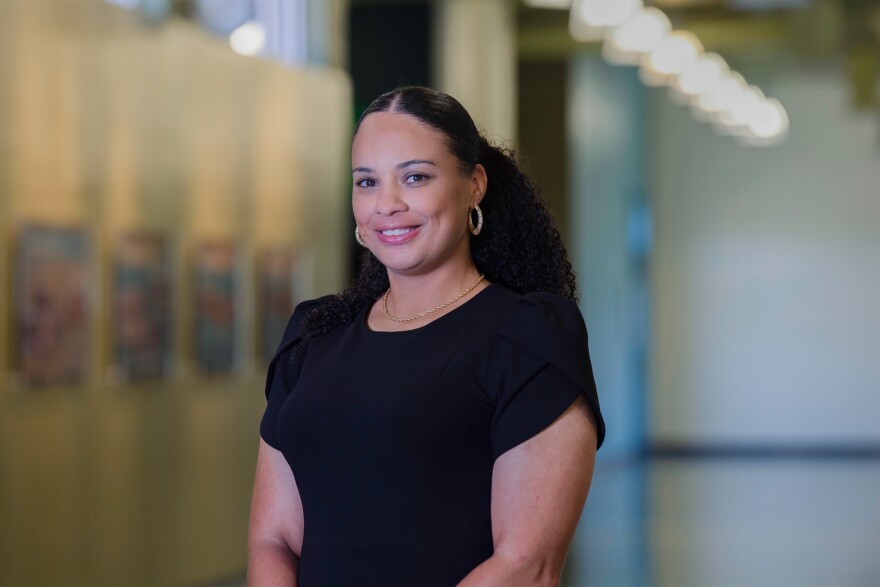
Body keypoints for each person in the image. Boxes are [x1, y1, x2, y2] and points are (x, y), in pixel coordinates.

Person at [248, 86, 606, 586]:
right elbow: (274, 540)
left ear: (474, 184)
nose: (386, 205)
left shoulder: (528, 338)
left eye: (415, 177)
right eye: (366, 182)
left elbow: (526, 565)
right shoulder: (314, 336)